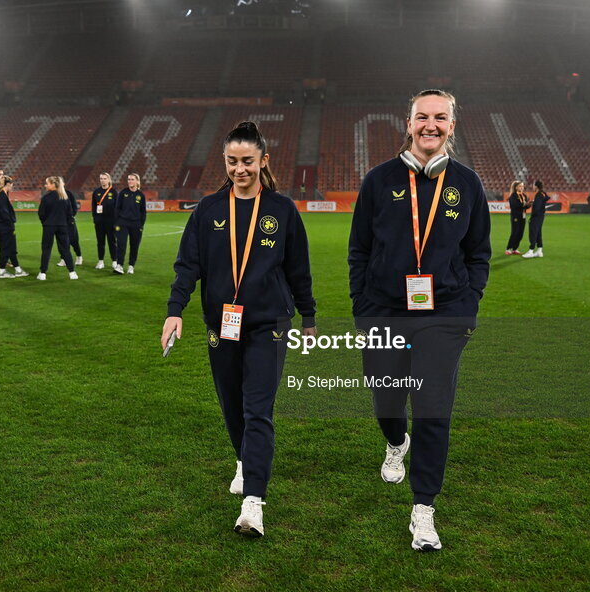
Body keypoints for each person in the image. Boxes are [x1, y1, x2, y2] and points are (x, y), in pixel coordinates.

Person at [348, 89, 491, 551]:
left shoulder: (467, 184)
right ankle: (395, 442)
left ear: (452, 125)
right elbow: (359, 251)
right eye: (422, 117)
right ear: (408, 124)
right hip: (384, 312)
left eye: (441, 118)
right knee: (386, 400)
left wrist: (466, 309)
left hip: (444, 315)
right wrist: (363, 308)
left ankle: (423, 508)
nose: (431, 125)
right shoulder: (378, 180)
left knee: (433, 408)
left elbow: (478, 255)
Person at [161, 121, 317, 538]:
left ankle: (254, 502)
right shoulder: (209, 210)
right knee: (232, 409)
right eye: (232, 161)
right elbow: (187, 265)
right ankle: (243, 460)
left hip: (269, 323)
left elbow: (299, 269)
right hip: (221, 324)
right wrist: (175, 310)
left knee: (257, 410)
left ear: (264, 161)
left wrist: (309, 317)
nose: (240, 169)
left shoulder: (282, 209)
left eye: (248, 161)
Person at [37, 176, 78, 281]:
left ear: (53, 185)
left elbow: (41, 214)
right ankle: (72, 272)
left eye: (47, 183)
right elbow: (70, 214)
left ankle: (42, 273)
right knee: (65, 249)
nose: (45, 185)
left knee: (46, 249)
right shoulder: (64, 197)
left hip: (49, 226)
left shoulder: (46, 198)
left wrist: (45, 223)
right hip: (62, 226)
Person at [0, 175, 30, 279]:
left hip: (3, 226)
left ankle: (18, 269)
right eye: (11, 184)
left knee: (11, 248)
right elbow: (4, 213)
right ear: (8, 184)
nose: (12, 186)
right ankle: (2, 271)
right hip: (5, 227)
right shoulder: (2, 196)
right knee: (7, 248)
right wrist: (10, 224)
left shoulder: (2, 195)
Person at [113, 173, 145, 275]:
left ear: (137, 181)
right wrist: (116, 222)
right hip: (123, 223)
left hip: (136, 224)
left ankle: (131, 266)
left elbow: (143, 211)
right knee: (121, 244)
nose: (130, 181)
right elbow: (117, 208)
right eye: (128, 179)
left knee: (134, 245)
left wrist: (141, 225)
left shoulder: (141, 195)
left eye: (132, 179)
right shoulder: (123, 193)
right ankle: (119, 265)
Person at [91, 172, 118, 270]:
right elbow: (93, 207)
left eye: (104, 178)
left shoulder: (114, 192)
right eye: (101, 178)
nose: (102, 180)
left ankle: (114, 261)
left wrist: (116, 221)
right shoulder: (96, 192)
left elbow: (117, 208)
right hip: (99, 221)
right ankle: (100, 261)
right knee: (100, 242)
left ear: (109, 180)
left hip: (111, 222)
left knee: (112, 241)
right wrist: (95, 218)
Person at [58, 180, 84, 267]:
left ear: (63, 184)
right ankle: (63, 258)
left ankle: (79, 256)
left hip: (69, 221)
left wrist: (71, 216)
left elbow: (74, 207)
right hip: (59, 222)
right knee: (61, 241)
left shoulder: (69, 193)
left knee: (73, 240)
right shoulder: (54, 194)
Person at [523, 179, 548, 259]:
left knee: (533, 233)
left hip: (536, 217)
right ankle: (539, 250)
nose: (532, 186)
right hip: (541, 216)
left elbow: (537, 207)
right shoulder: (543, 193)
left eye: (533, 185)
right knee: (538, 232)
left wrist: (532, 217)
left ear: (536, 186)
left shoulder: (538, 195)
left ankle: (531, 250)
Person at [505, 180, 528, 255]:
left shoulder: (524, 195)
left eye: (522, 186)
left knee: (520, 233)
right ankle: (508, 248)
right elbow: (514, 206)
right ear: (515, 187)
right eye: (520, 186)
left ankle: (515, 248)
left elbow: (525, 206)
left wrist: (529, 205)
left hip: (523, 216)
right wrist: (524, 205)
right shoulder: (513, 196)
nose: (522, 188)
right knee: (515, 233)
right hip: (515, 216)